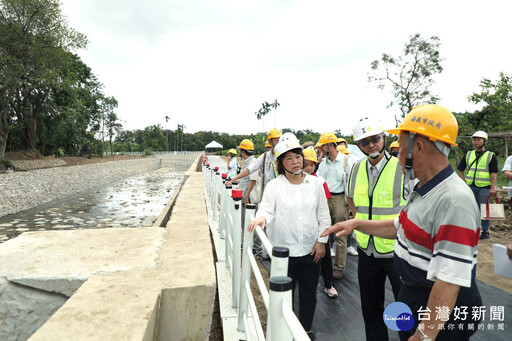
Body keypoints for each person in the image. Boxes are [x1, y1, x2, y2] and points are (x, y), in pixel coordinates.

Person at [322, 104, 482, 341]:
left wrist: (423, 336)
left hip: (437, 307)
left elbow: (449, 280)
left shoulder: (453, 201)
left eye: (402, 148)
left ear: (417, 147)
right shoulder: (423, 187)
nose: (398, 156)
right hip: (414, 292)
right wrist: (356, 225)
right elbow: (399, 226)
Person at [248, 133, 330, 340]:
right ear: (280, 163)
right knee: (285, 296)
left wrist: (321, 243)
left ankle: (305, 331)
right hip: (284, 253)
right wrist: (261, 219)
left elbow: (323, 216)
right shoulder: (275, 186)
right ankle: (283, 332)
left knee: (309, 295)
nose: (295, 162)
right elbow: (266, 210)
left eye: (298, 156)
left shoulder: (316, 184)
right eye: (289, 158)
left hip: (311, 250)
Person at [344, 118, 405, 341]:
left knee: (404, 310)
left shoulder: (400, 168)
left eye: (375, 139)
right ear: (359, 145)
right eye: (364, 142)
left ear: (384, 139)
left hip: (396, 252)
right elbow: (351, 200)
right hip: (366, 251)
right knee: (371, 310)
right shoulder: (356, 169)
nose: (371, 145)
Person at [315, 132, 353, 280]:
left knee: (340, 235)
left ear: (330, 145)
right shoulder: (323, 163)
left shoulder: (346, 161)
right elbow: (318, 180)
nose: (320, 150)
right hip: (325, 199)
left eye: (322, 147)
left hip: (339, 199)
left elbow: (351, 183)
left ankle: (338, 267)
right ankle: (325, 266)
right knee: (324, 233)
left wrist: (351, 205)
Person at [303, 146, 338, 298]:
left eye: (312, 165)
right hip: (304, 226)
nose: (309, 168)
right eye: (306, 165)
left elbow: (326, 206)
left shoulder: (320, 181)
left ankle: (328, 284)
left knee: (325, 257)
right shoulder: (295, 181)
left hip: (320, 226)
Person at [457, 130, 498, 240]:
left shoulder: (491, 156)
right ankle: (471, 229)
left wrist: (492, 187)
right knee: (470, 209)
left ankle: (485, 231)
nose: (475, 142)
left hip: (484, 188)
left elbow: (494, 172)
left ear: (485, 141)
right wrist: (463, 180)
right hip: (470, 186)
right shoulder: (469, 154)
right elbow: (460, 169)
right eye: (474, 140)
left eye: (478, 140)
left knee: (484, 210)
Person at [235, 140, 259, 205]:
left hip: (248, 199)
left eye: (240, 151)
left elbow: (253, 180)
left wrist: (246, 196)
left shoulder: (253, 163)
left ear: (242, 152)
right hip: (243, 196)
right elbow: (246, 179)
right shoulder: (247, 162)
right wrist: (237, 180)